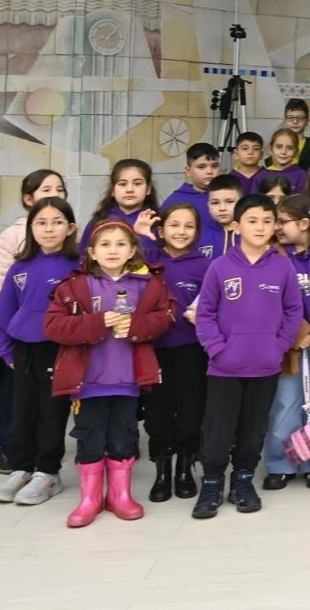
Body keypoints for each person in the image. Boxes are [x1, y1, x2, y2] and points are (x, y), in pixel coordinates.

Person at [44, 220, 172, 527]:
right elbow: (53, 326)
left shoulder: (147, 284)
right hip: (88, 383)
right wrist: (96, 323)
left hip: (127, 381)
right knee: (90, 437)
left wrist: (137, 325)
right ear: (91, 252)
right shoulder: (75, 286)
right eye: (104, 244)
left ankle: (120, 496)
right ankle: (89, 499)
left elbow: (165, 317)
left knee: (123, 437)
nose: (112, 250)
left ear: (132, 250)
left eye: (120, 244)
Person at [191, 194, 303, 519]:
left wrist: (278, 346)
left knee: (253, 430)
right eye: (253, 221)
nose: (260, 227)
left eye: (268, 221)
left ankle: (243, 480)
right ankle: (212, 482)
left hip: (265, 366)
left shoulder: (282, 266)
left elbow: (293, 311)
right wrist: (217, 348)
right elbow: (205, 313)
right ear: (237, 226)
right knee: (218, 430)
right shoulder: (220, 267)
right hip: (224, 368)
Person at [0, 196, 82, 507]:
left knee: (51, 412)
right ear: (31, 228)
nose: (49, 229)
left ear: (70, 228)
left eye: (57, 222)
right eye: (41, 222)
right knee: (23, 411)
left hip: (59, 349)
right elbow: (4, 312)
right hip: (23, 350)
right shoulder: (21, 266)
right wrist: (7, 351)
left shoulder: (79, 266)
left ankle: (48, 472)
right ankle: (22, 468)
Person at [0, 169, 69, 474]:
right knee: (17, 402)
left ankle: (44, 467)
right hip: (19, 339)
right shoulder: (14, 241)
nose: (55, 194)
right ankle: (8, 451)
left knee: (50, 408)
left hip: (55, 343)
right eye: (47, 190)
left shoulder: (72, 245)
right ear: (28, 199)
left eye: (60, 189)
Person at [139, 202, 212, 502]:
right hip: (153, 349)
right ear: (161, 230)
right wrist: (142, 236)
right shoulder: (149, 259)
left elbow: (213, 304)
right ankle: (162, 471)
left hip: (191, 350)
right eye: (174, 225)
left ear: (197, 232)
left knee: (190, 412)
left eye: (188, 226)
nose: (181, 231)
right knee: (157, 415)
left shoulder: (205, 265)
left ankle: (185, 468)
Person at [262, 196, 310, 491]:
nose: (276, 228)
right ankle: (279, 463)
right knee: (286, 403)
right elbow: (270, 299)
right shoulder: (274, 253)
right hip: (289, 342)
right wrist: (298, 333)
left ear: (304, 223)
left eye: (282, 222)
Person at [80, 159, 160, 253]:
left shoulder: (156, 222)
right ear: (112, 190)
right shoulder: (99, 220)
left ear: (148, 189)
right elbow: (84, 256)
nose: (129, 189)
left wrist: (144, 237)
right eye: (122, 184)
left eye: (137, 184)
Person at [256, 128, 307, 195]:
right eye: (279, 147)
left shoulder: (302, 175)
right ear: (270, 150)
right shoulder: (260, 176)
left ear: (296, 152)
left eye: (290, 148)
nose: (283, 152)